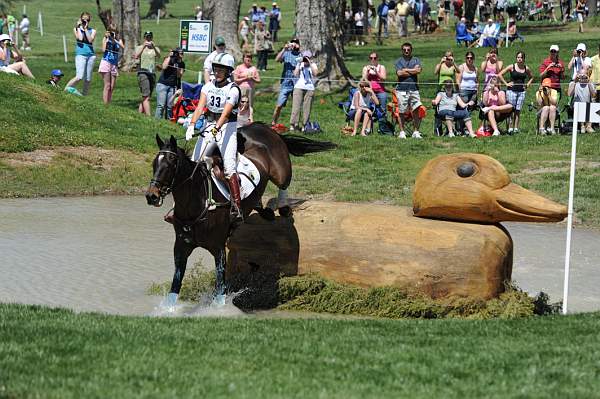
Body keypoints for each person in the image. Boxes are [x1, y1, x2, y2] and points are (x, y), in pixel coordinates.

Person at [187, 53, 243, 222]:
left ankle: (237, 206)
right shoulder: (208, 86)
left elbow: (226, 113)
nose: (217, 72)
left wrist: (216, 129)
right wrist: (192, 124)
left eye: (221, 70)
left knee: (229, 167)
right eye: (215, 69)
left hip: (227, 127)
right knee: (195, 161)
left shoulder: (233, 89)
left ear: (228, 71)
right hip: (210, 124)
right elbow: (200, 107)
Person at [498, 51, 533, 134]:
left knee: (518, 110)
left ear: (524, 59)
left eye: (521, 57)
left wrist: (527, 84)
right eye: (518, 57)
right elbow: (500, 74)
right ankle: (510, 128)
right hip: (511, 91)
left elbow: (531, 77)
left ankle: (516, 128)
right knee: (511, 110)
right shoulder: (512, 66)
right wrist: (506, 83)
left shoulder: (526, 68)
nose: (519, 59)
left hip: (521, 91)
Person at [394, 42, 423, 139]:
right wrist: (412, 71)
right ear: (402, 50)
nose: (406, 51)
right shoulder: (398, 61)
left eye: (408, 50)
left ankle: (416, 131)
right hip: (402, 89)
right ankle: (402, 132)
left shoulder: (416, 60)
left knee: (416, 109)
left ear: (411, 50)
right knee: (401, 111)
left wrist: (406, 69)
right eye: (404, 50)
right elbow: (399, 73)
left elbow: (418, 71)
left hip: (414, 89)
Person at [65, 12, 96, 96]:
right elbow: (80, 38)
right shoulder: (76, 29)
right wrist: (79, 27)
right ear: (80, 19)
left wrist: (86, 29)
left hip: (91, 55)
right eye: (83, 20)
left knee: (88, 79)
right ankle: (65, 90)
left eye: (87, 20)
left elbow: (90, 40)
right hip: (81, 54)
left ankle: (84, 96)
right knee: (79, 76)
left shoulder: (92, 31)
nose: (86, 21)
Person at [271, 38, 301, 126]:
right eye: (293, 42)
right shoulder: (286, 53)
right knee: (279, 105)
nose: (294, 44)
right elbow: (277, 59)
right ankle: (273, 123)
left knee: (297, 105)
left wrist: (299, 48)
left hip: (297, 84)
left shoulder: (301, 54)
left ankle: (295, 124)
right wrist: (284, 49)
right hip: (285, 83)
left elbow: (307, 59)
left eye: (296, 43)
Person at [290, 51, 318, 131]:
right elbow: (295, 74)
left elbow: (315, 73)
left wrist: (310, 63)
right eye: (305, 57)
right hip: (298, 87)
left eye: (307, 57)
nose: (305, 59)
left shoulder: (313, 65)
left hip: (310, 88)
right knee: (296, 107)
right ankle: (293, 124)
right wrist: (299, 64)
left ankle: (305, 125)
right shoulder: (300, 64)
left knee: (307, 108)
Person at [155, 48, 185, 119]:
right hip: (163, 84)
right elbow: (164, 67)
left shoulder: (182, 64)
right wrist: (169, 56)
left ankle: (169, 121)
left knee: (170, 106)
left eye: (182, 53)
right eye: (179, 53)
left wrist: (177, 66)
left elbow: (179, 75)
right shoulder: (169, 59)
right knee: (161, 105)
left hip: (172, 86)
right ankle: (156, 121)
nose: (181, 55)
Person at [135, 31, 160, 115]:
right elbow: (136, 56)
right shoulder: (139, 47)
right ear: (144, 38)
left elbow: (159, 55)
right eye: (147, 37)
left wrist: (153, 46)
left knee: (147, 96)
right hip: (143, 72)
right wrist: (143, 47)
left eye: (150, 37)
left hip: (152, 73)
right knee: (146, 96)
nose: (148, 39)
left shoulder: (155, 48)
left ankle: (139, 114)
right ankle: (149, 116)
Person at [98, 24, 123, 105]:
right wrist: (107, 38)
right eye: (112, 32)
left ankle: (108, 102)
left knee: (112, 87)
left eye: (115, 32)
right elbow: (103, 50)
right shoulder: (105, 39)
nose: (113, 33)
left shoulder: (118, 39)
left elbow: (122, 47)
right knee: (107, 85)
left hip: (114, 64)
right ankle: (105, 105)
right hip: (106, 62)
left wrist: (114, 39)